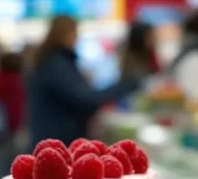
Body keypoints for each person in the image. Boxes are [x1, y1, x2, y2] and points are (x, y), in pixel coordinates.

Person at [27, 15, 141, 147]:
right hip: (58, 139)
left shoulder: (53, 61)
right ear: (67, 34)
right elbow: (84, 98)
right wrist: (124, 85)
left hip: (52, 137)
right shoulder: (58, 64)